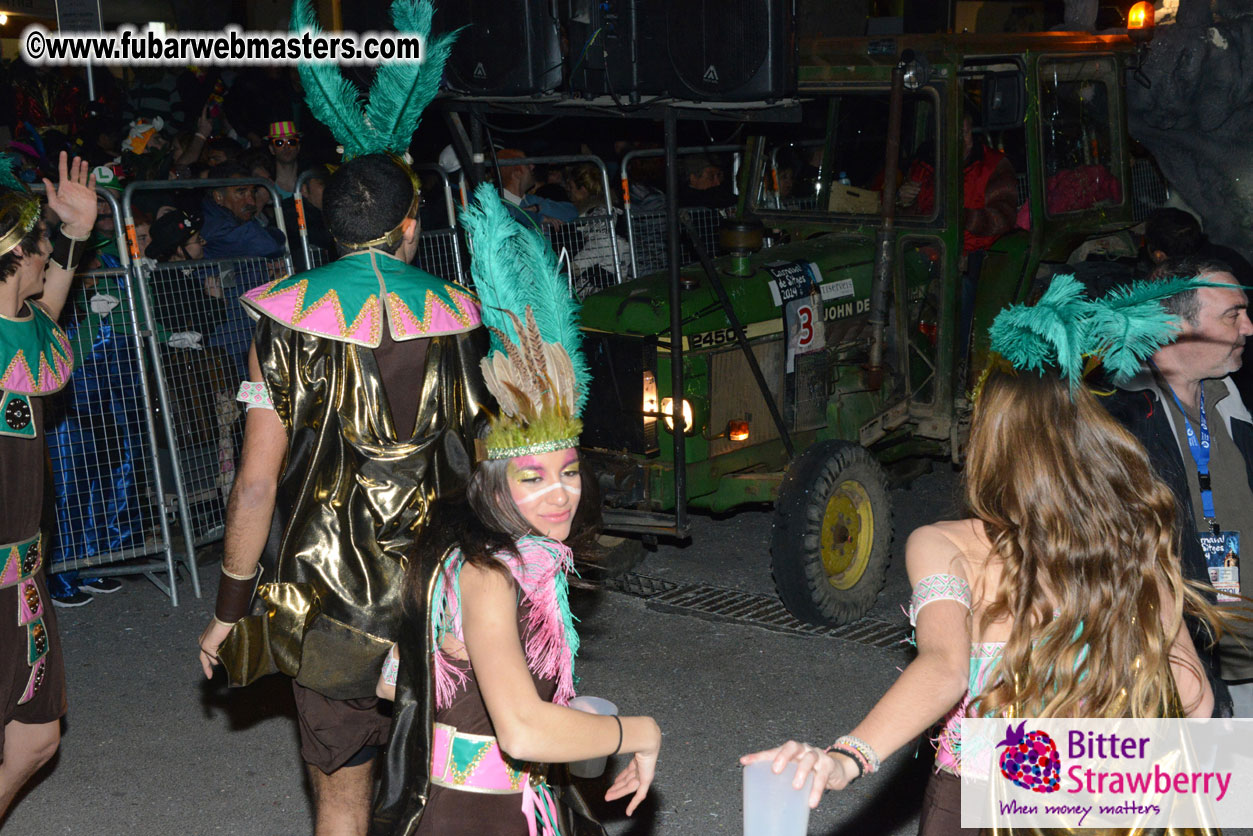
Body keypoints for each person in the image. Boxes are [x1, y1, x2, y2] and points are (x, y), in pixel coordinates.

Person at [742, 274, 1225, 833]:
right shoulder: (1133, 543)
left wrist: (847, 758)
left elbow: (946, 666)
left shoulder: (945, 544)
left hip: (977, 803)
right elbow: (1193, 696)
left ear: (989, 443)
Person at [196, 8, 479, 835]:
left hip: (327, 602)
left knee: (344, 796)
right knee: (449, 786)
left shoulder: (283, 322)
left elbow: (255, 483)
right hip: (445, 591)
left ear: (332, 225)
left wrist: (228, 606)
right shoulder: (461, 316)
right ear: (410, 228)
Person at [373, 184, 660, 836]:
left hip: (517, 804)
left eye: (568, 472)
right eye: (532, 477)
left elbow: (392, 683)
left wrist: (445, 656)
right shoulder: (488, 573)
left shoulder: (507, 556)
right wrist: (638, 731)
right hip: (474, 816)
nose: (559, 494)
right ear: (493, 487)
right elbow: (524, 731)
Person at [1100, 255, 1253, 717]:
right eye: (1233, 315)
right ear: (1177, 326)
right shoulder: (1115, 417)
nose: (1248, 327)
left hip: (1232, 615)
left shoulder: (1227, 395)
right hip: (1171, 641)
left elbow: (1223, 506)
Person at [0, 150, 96, 819]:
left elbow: (44, 320)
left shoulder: (25, 329)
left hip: (25, 584)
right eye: (40, 245)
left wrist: (72, 234)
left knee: (35, 741)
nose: (45, 258)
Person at [899, 104, 1017, 353]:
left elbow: (1003, 217)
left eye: (964, 132)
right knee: (897, 288)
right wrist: (904, 201)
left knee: (959, 293)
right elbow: (913, 218)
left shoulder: (993, 165)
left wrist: (962, 217)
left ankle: (958, 366)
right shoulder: (924, 166)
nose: (961, 140)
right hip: (930, 256)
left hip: (978, 259)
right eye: (953, 133)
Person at [199, 160, 285, 260]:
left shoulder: (233, 219)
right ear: (218, 196)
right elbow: (269, 245)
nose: (252, 201)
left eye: (252, 192)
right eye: (241, 193)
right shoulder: (215, 226)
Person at [496, 148, 578, 229]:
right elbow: (511, 215)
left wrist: (538, 208)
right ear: (517, 173)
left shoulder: (531, 200)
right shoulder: (497, 201)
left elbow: (572, 212)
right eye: (527, 164)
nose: (532, 166)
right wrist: (539, 219)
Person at [264, 121, 302, 199]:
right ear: (271, 149)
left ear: (298, 147)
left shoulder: (309, 182)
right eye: (279, 143)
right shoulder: (266, 187)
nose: (286, 147)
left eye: (291, 142)